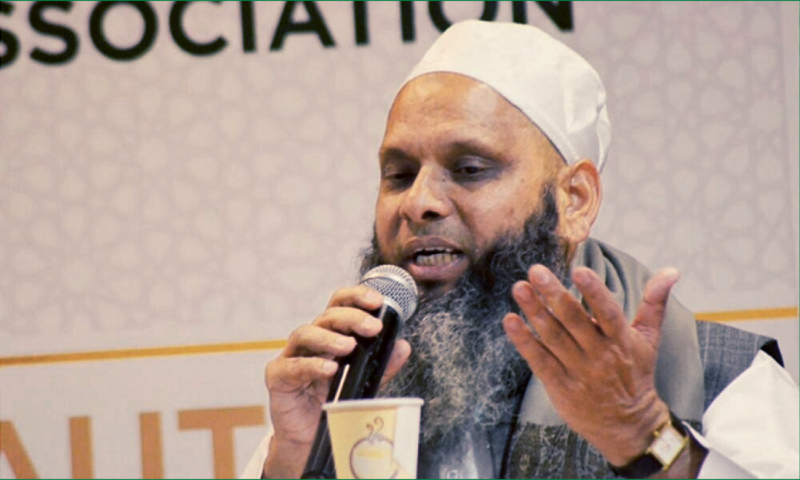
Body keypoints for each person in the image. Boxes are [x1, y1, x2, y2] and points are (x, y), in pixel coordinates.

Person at [243, 20, 799, 479]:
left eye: (469, 168)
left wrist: (644, 435)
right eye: (399, 174)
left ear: (574, 200)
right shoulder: (346, 394)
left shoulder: (725, 378)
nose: (419, 202)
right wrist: (296, 459)